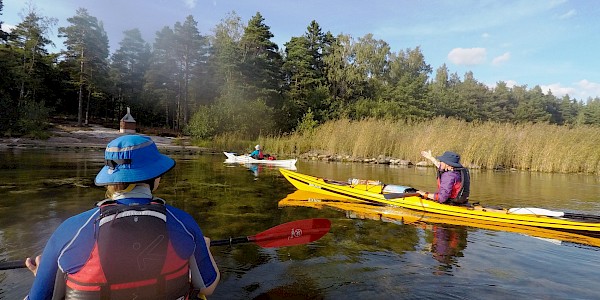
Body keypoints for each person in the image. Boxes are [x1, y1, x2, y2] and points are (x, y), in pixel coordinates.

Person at [25, 135, 220, 299]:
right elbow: (207, 287)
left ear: (110, 179)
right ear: (154, 177)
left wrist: (41, 275)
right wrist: (205, 248)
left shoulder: (71, 229)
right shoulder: (183, 222)